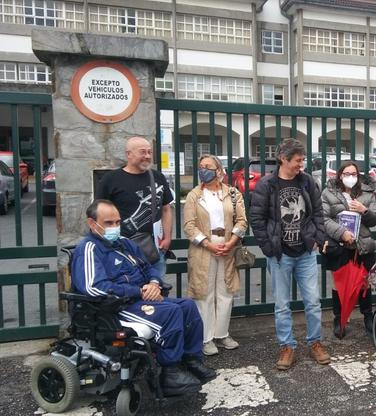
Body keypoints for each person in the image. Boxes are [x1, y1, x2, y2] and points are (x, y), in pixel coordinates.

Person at [72, 200, 215, 396]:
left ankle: (191, 360)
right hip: (115, 308)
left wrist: (154, 284)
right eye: (108, 223)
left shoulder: (124, 243)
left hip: (141, 299)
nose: (115, 227)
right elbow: (94, 288)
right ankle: (170, 373)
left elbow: (149, 268)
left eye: (117, 222)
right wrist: (138, 291)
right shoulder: (89, 249)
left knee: (188, 306)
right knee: (171, 313)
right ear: (92, 223)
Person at [249, 138, 329, 370]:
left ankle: (315, 343)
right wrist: (269, 248)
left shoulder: (307, 182)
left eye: (302, 160)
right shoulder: (267, 185)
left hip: (305, 252)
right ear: (283, 159)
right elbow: (257, 219)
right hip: (280, 255)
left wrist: (318, 239)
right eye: (297, 160)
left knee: (313, 302)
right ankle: (287, 346)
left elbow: (318, 213)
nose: (301, 164)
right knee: (282, 305)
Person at [184, 154, 248, 356]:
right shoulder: (195, 195)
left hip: (227, 246)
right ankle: (206, 338)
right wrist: (207, 244)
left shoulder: (232, 193)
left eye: (209, 166)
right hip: (204, 247)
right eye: (201, 166)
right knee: (204, 293)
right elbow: (189, 226)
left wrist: (232, 241)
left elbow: (242, 221)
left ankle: (222, 334)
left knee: (225, 291)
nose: (204, 170)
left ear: (219, 171)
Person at [96, 136, 174, 276]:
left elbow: (166, 209)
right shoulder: (111, 179)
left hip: (154, 250)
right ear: (128, 154)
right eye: (142, 152)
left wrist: (167, 237)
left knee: (157, 291)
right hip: (122, 250)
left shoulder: (158, 177)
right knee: (127, 292)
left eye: (150, 152)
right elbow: (98, 213)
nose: (147, 156)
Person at [321, 161, 376, 338]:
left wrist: (364, 211)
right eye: (346, 174)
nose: (350, 177)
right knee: (339, 284)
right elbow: (323, 219)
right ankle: (339, 318)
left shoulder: (367, 193)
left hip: (362, 245)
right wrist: (342, 233)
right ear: (340, 175)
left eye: (354, 174)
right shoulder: (328, 193)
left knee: (363, 283)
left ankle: (367, 316)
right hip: (339, 246)